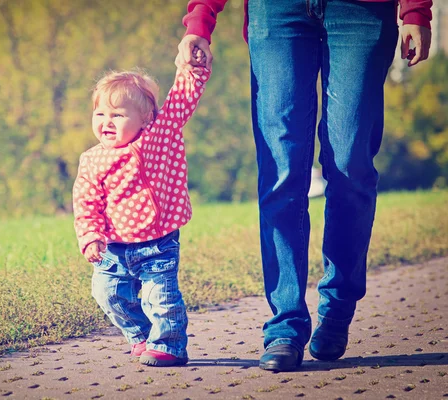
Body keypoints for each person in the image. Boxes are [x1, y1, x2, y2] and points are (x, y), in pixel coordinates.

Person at [176, 0, 432, 372]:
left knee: (350, 164)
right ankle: (285, 326)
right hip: (277, 12)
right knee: (280, 170)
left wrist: (415, 10)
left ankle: (339, 304)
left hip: (361, 12)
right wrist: (200, 19)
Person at [72, 49, 210, 367]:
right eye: (100, 114)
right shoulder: (92, 159)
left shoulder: (157, 139)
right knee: (107, 293)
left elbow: (181, 101)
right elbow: (85, 202)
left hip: (157, 242)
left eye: (118, 115)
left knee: (158, 297)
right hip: (113, 248)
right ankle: (142, 337)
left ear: (146, 118)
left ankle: (169, 345)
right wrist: (91, 236)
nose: (107, 122)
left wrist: (193, 69)